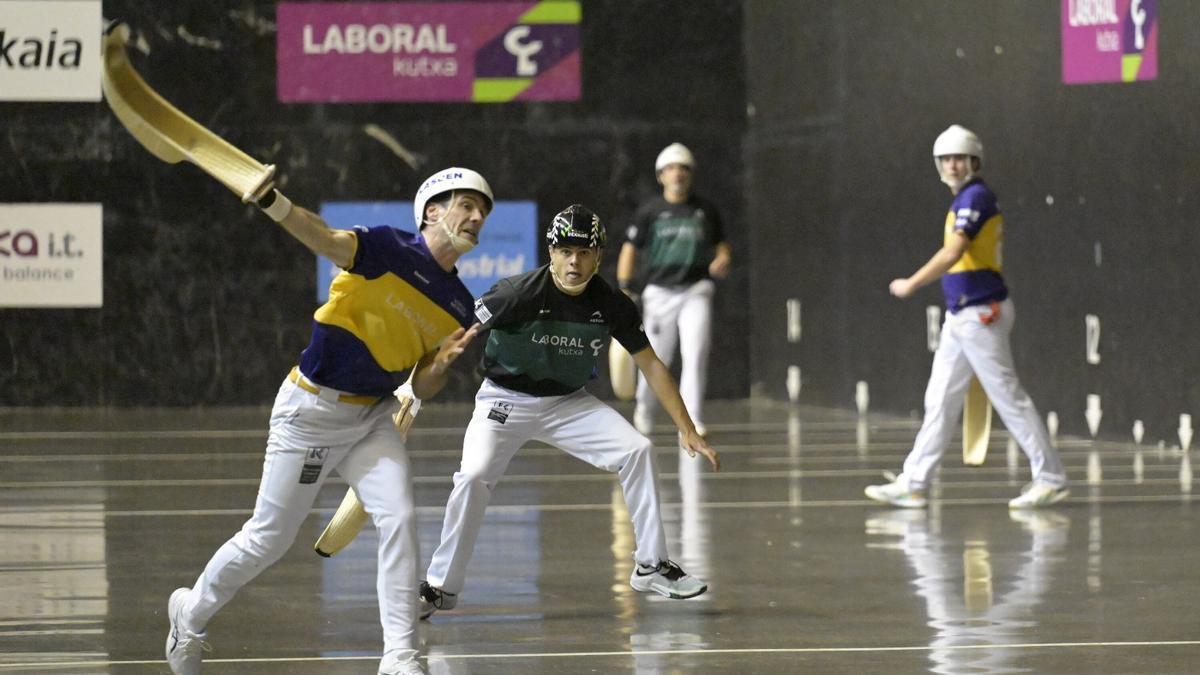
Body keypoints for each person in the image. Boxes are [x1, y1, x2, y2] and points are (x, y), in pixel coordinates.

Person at [163, 168, 494, 675]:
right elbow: (323, 237)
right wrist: (274, 202)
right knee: (270, 537)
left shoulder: (458, 306)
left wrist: (439, 369)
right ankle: (191, 611)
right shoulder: (387, 249)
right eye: (467, 205)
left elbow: (422, 385)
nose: (477, 217)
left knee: (400, 520)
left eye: (483, 211)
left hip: (374, 418)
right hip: (311, 411)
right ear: (432, 210)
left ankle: (401, 659)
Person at [419, 204, 721, 619]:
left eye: (583, 252)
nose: (574, 261)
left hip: (566, 402)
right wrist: (416, 379)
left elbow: (651, 363)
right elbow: (455, 330)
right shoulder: (516, 293)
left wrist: (687, 428)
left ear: (599, 255)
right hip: (504, 400)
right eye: (564, 251)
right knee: (473, 476)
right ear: (551, 251)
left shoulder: (613, 303)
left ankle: (652, 565)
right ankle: (440, 587)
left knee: (637, 450)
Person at [864, 125, 1069, 510]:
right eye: (946, 159)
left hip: (982, 314)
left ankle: (1051, 477)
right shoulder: (963, 200)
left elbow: (953, 252)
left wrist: (911, 283)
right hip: (962, 317)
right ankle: (914, 482)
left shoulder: (976, 198)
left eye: (960, 158)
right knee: (939, 399)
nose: (953, 165)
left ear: (974, 162)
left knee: (1008, 397)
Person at [617, 143, 732, 437]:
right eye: (671, 168)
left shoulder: (705, 210)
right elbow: (629, 249)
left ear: (691, 175)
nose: (677, 173)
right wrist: (625, 288)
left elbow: (722, 247)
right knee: (658, 358)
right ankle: (644, 409)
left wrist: (723, 259)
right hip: (659, 294)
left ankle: (690, 422)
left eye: (683, 168)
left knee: (695, 353)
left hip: (696, 291)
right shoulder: (650, 212)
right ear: (660, 176)